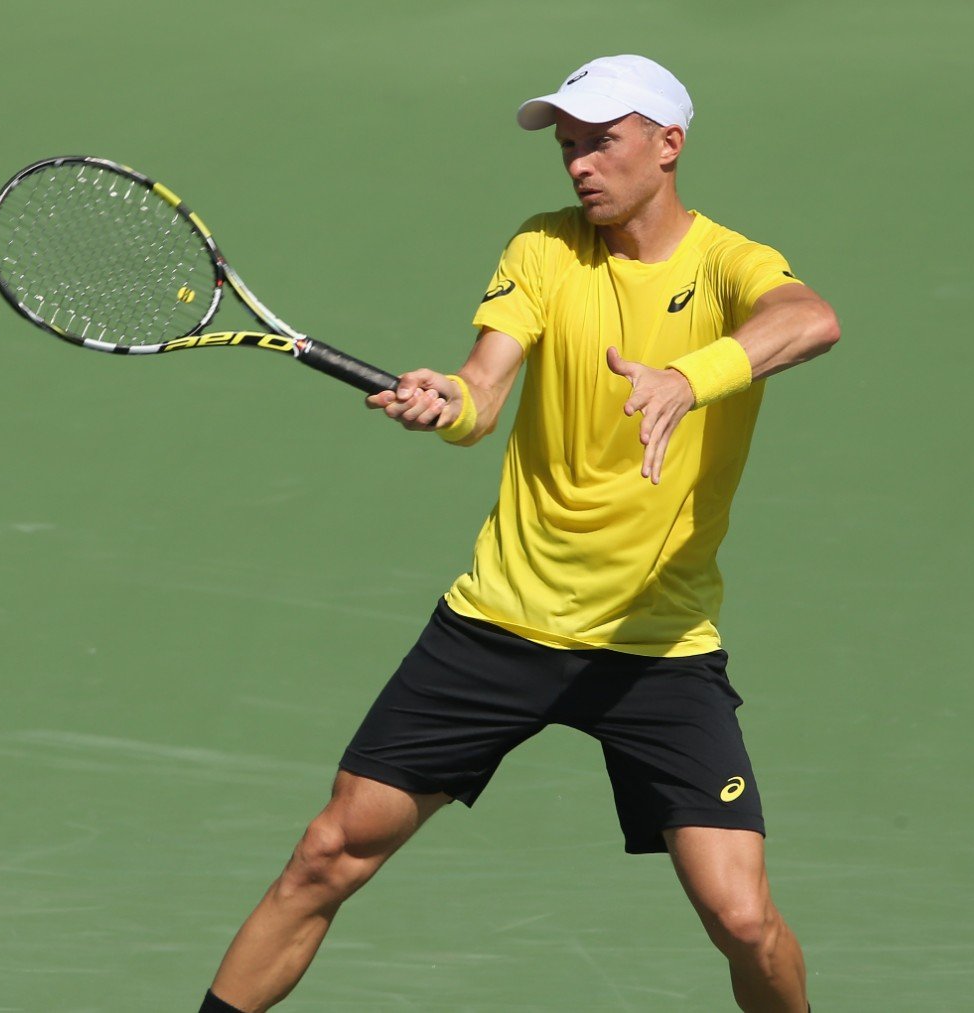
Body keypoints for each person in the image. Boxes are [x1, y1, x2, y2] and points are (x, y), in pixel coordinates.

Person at [199, 54, 840, 1013]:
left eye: (602, 142)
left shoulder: (725, 265)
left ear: (668, 146)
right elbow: (482, 394)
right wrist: (443, 398)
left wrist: (687, 377)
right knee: (328, 853)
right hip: (501, 621)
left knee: (742, 917)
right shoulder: (543, 249)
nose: (580, 165)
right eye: (568, 146)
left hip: (654, 646)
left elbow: (811, 319)